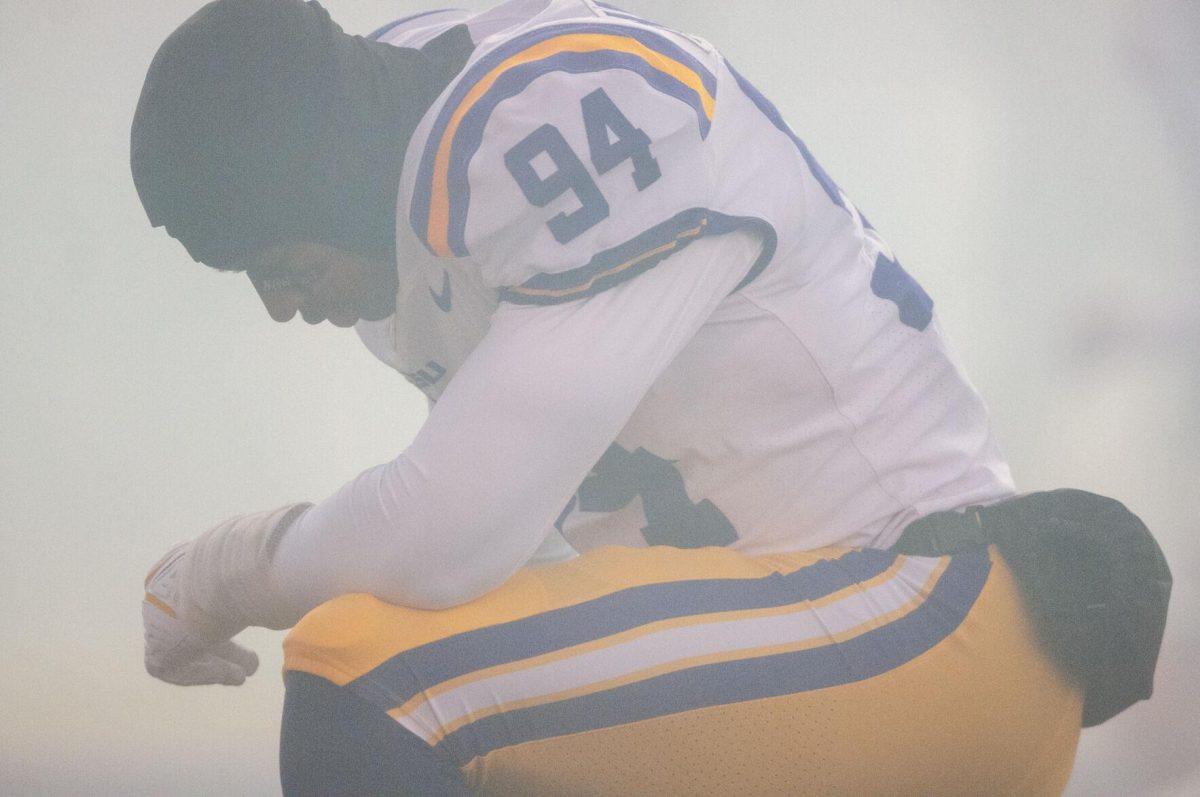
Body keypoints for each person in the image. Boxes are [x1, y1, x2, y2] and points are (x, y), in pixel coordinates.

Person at [132, 1, 1169, 794]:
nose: (276, 305)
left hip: (924, 606)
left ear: (323, 178)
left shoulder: (561, 116)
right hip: (776, 644)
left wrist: (221, 571)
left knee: (373, 673)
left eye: (276, 259)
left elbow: (442, 537)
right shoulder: (409, 144)